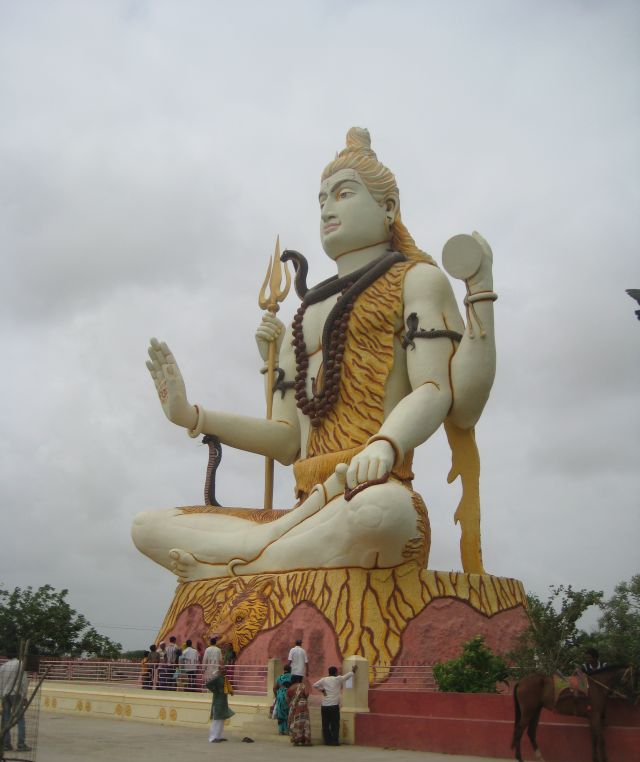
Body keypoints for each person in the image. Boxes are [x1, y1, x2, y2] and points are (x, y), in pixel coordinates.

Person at [133, 127, 496, 580]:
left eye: (344, 194)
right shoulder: (303, 316)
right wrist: (191, 416)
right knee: (148, 527)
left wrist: (386, 443)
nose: (327, 208)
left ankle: (239, 563)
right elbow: (288, 440)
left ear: (388, 208)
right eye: (321, 199)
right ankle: (261, 555)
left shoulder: (418, 281)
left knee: (381, 514)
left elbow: (436, 389)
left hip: (371, 491)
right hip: (304, 510)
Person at [313, 665, 357, 746]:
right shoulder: (338, 679)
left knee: (325, 724)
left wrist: (322, 690)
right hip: (334, 705)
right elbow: (347, 676)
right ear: (336, 672)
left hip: (325, 705)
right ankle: (335, 741)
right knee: (335, 724)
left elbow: (315, 685)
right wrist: (353, 671)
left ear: (329, 673)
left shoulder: (324, 680)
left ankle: (327, 741)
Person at [0, 648, 31, 752]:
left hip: (5, 694)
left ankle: (6, 744)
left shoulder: (3, 666)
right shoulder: (20, 664)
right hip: (16, 694)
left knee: (5, 719)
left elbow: (0, 683)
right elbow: (23, 681)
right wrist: (25, 696)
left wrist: (2, 695)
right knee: (20, 719)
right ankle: (21, 745)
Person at [208, 667, 235, 743]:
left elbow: (226, 688)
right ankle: (212, 738)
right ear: (220, 671)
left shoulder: (224, 678)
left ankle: (219, 736)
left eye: (225, 669)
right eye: (223, 670)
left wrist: (230, 692)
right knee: (216, 720)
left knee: (222, 719)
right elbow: (208, 684)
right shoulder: (217, 678)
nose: (224, 671)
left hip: (223, 701)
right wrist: (215, 690)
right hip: (217, 702)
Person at [287, 679, 311, 746]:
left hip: (295, 706)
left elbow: (287, 698)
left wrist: (292, 704)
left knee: (296, 722)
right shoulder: (303, 686)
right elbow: (306, 694)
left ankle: (296, 740)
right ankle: (306, 741)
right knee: (305, 722)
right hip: (303, 705)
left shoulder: (291, 687)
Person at [273, 664, 293, 735]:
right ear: (290, 670)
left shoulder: (280, 677)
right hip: (289, 696)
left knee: (281, 713)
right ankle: (288, 730)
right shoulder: (292, 677)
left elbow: (274, 688)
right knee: (288, 713)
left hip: (280, 696)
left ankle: (281, 730)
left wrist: (277, 696)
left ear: (284, 670)